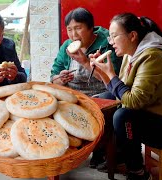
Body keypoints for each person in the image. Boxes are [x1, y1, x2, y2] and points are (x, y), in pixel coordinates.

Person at [90, 12, 162, 179]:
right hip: (151, 113)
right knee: (102, 99)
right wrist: (103, 72)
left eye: (114, 36)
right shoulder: (131, 55)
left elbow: (132, 101)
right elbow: (119, 92)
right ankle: (117, 154)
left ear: (133, 35)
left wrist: (111, 76)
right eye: (110, 37)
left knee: (123, 116)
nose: (111, 42)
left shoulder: (152, 57)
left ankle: (137, 171)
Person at [50, 7, 122, 169]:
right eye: (69, 29)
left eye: (78, 28)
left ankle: (102, 150)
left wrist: (85, 62)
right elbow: (53, 76)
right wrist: (60, 78)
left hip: (102, 92)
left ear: (91, 28)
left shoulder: (106, 44)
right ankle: (66, 151)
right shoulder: (67, 46)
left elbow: (113, 79)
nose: (74, 35)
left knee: (101, 104)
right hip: (74, 94)